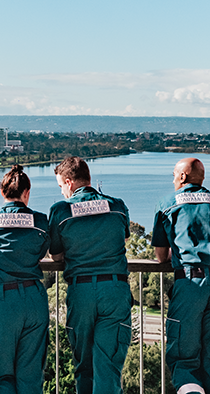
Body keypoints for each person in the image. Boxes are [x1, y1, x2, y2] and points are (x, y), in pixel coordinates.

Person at [47, 156, 131, 394]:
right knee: (108, 365)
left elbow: (55, 255)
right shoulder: (116, 205)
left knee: (83, 364)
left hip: (81, 290)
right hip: (114, 290)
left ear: (68, 182)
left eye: (61, 187)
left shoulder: (61, 211)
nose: (62, 192)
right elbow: (124, 238)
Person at [151, 158, 210, 394]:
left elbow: (160, 255)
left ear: (182, 177)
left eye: (173, 174)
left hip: (189, 282)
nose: (173, 179)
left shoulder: (167, 204)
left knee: (183, 356)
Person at [0, 165, 51, 394]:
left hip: (2, 300)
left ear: (1, 191)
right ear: (27, 192)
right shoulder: (40, 221)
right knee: (31, 374)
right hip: (34, 299)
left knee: (5, 374)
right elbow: (41, 253)